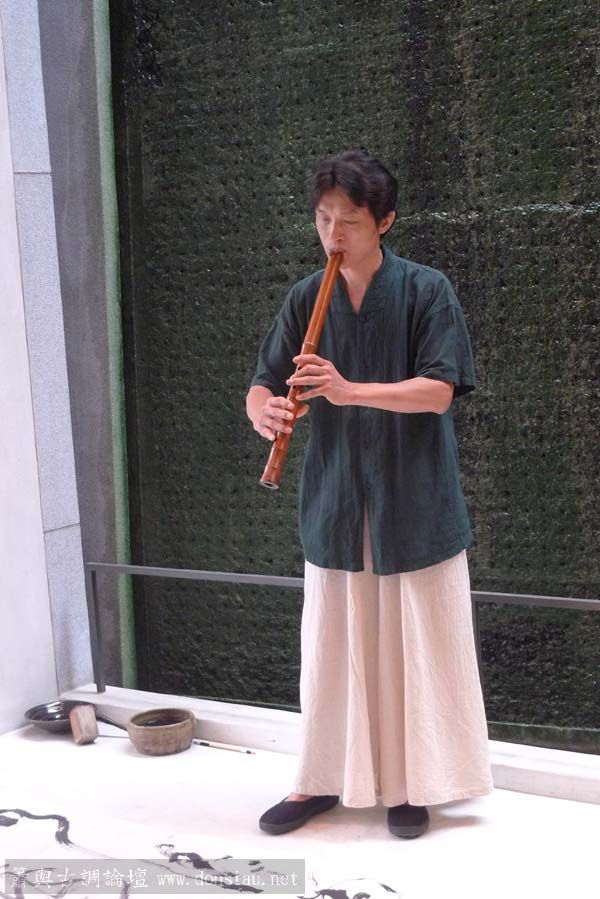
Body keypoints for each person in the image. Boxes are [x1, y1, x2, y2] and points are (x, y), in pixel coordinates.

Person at [245, 149, 494, 839]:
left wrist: (348, 390)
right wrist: (264, 411)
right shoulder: (306, 297)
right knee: (333, 650)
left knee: (416, 645)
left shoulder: (426, 290)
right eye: (324, 218)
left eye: (349, 221)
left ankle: (412, 786)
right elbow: (262, 381)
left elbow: (439, 390)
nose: (333, 234)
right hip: (336, 499)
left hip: (414, 500)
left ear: (384, 221)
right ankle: (322, 779)